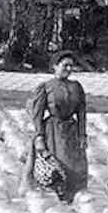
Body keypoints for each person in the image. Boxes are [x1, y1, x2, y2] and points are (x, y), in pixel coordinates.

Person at [27, 51, 88, 203]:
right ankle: (53, 199)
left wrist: (82, 134)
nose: (68, 69)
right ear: (55, 66)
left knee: (75, 166)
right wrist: (39, 136)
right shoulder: (46, 87)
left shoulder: (76, 87)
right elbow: (37, 113)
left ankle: (73, 198)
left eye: (71, 66)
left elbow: (81, 112)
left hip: (71, 131)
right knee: (55, 166)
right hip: (52, 131)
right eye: (65, 65)